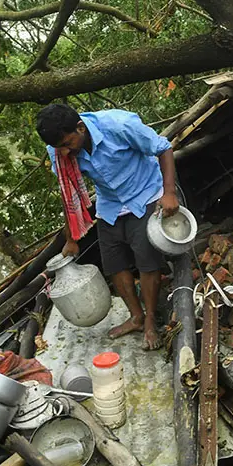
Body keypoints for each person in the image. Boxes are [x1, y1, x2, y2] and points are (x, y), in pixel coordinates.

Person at [36, 103, 179, 350]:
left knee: (147, 262)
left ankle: (150, 322)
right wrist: (71, 238)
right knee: (114, 263)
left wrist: (169, 193)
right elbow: (66, 191)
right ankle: (136, 317)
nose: (67, 153)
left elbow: (163, 149)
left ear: (80, 127)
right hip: (110, 205)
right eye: (61, 148)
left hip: (145, 194)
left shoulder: (119, 125)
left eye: (69, 144)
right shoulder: (58, 150)